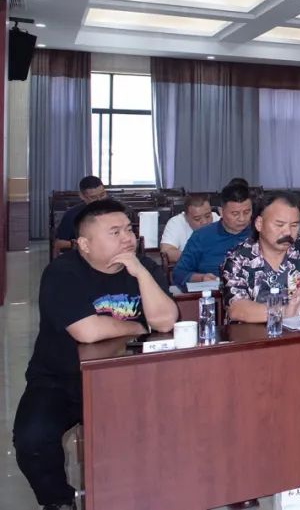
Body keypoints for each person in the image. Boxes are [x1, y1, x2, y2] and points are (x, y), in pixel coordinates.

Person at [14, 199, 177, 510]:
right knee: (32, 440)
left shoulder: (145, 266)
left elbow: (166, 320)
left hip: (128, 379)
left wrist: (141, 273)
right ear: (84, 244)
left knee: (158, 432)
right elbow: (87, 331)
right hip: (61, 380)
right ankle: (59, 501)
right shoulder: (61, 272)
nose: (127, 238)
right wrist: (138, 326)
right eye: (115, 232)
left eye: (128, 229)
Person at [221, 191, 300, 323]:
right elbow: (236, 308)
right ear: (259, 223)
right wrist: (283, 311)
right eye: (279, 225)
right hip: (253, 334)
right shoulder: (238, 258)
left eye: (294, 225)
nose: (288, 232)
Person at [172, 182, 253, 286]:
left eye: (246, 212)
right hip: (215, 293)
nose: (242, 219)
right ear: (221, 212)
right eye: (235, 213)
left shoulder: (260, 234)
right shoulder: (201, 237)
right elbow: (178, 274)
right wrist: (201, 278)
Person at [53, 175, 108, 252]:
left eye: (102, 195)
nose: (99, 200)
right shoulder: (72, 214)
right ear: (82, 196)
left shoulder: (115, 210)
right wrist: (77, 244)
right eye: (93, 197)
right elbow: (58, 244)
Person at [159, 194, 219, 263]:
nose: (205, 222)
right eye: (197, 219)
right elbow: (167, 252)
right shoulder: (176, 222)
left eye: (208, 216)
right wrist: (196, 257)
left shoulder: (218, 219)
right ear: (186, 217)